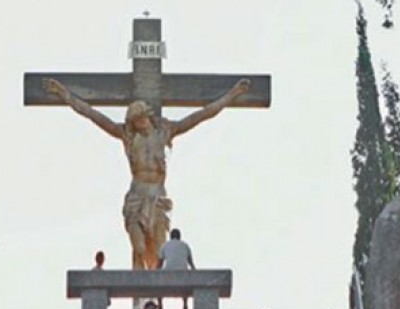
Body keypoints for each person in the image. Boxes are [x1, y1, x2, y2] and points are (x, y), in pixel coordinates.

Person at [42, 78, 250, 270]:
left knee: (159, 255)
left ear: (146, 117)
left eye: (138, 120)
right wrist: (64, 94)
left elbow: (202, 115)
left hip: (157, 198)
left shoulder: (165, 131)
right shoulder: (128, 136)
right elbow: (92, 114)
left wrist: (232, 94)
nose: (136, 125)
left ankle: (156, 301)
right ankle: (139, 294)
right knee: (139, 248)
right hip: (136, 198)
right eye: (133, 122)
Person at [158, 228, 196, 309]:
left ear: (170, 237)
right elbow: (190, 262)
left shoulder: (165, 245)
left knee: (158, 289)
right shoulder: (185, 245)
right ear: (179, 237)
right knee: (185, 289)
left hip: (168, 272)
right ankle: (185, 304)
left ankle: (160, 305)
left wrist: (154, 273)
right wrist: (195, 272)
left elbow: (159, 263)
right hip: (183, 271)